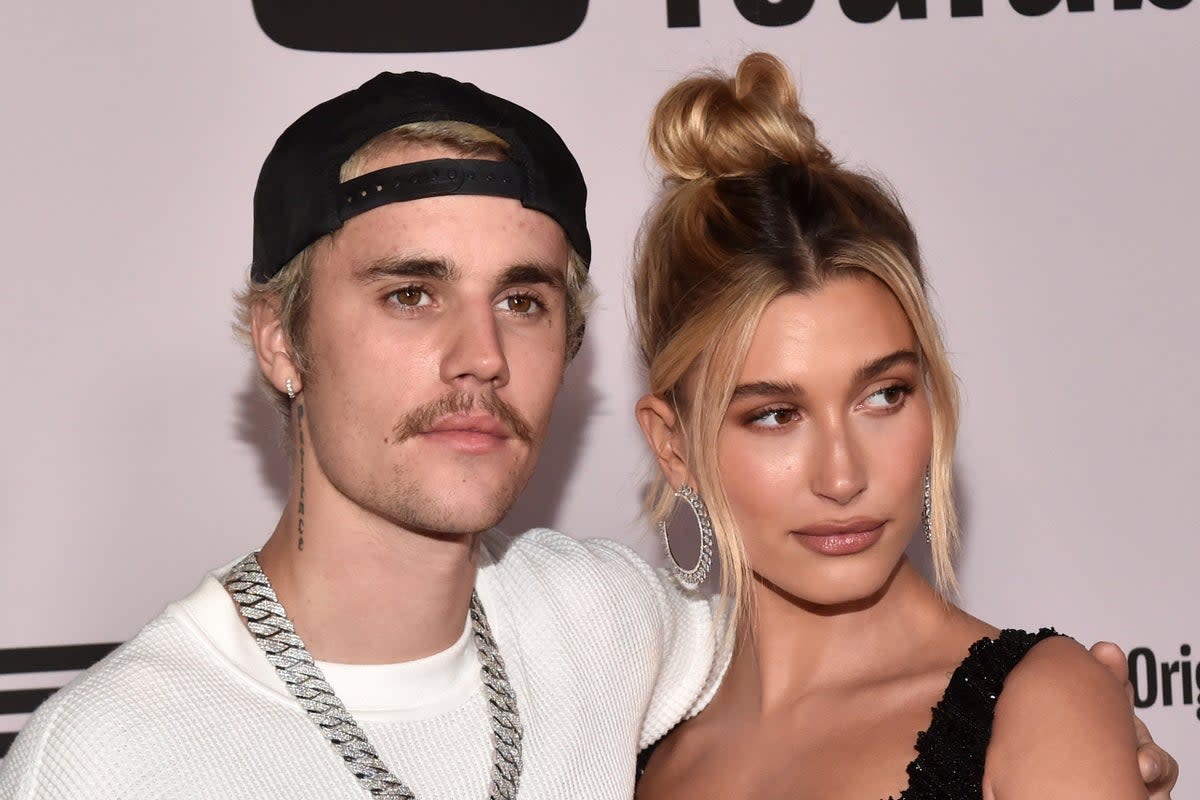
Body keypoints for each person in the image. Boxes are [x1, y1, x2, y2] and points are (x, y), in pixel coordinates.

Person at [0, 69, 1176, 800]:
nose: (480, 355)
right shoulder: (106, 760)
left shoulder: (615, 628)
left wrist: (1061, 721)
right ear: (281, 338)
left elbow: (865, 667)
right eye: (410, 293)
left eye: (524, 299)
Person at [632, 52, 1174, 799]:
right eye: (776, 415)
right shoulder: (633, 754)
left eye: (883, 396)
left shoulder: (1041, 707)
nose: (844, 475)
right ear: (673, 446)